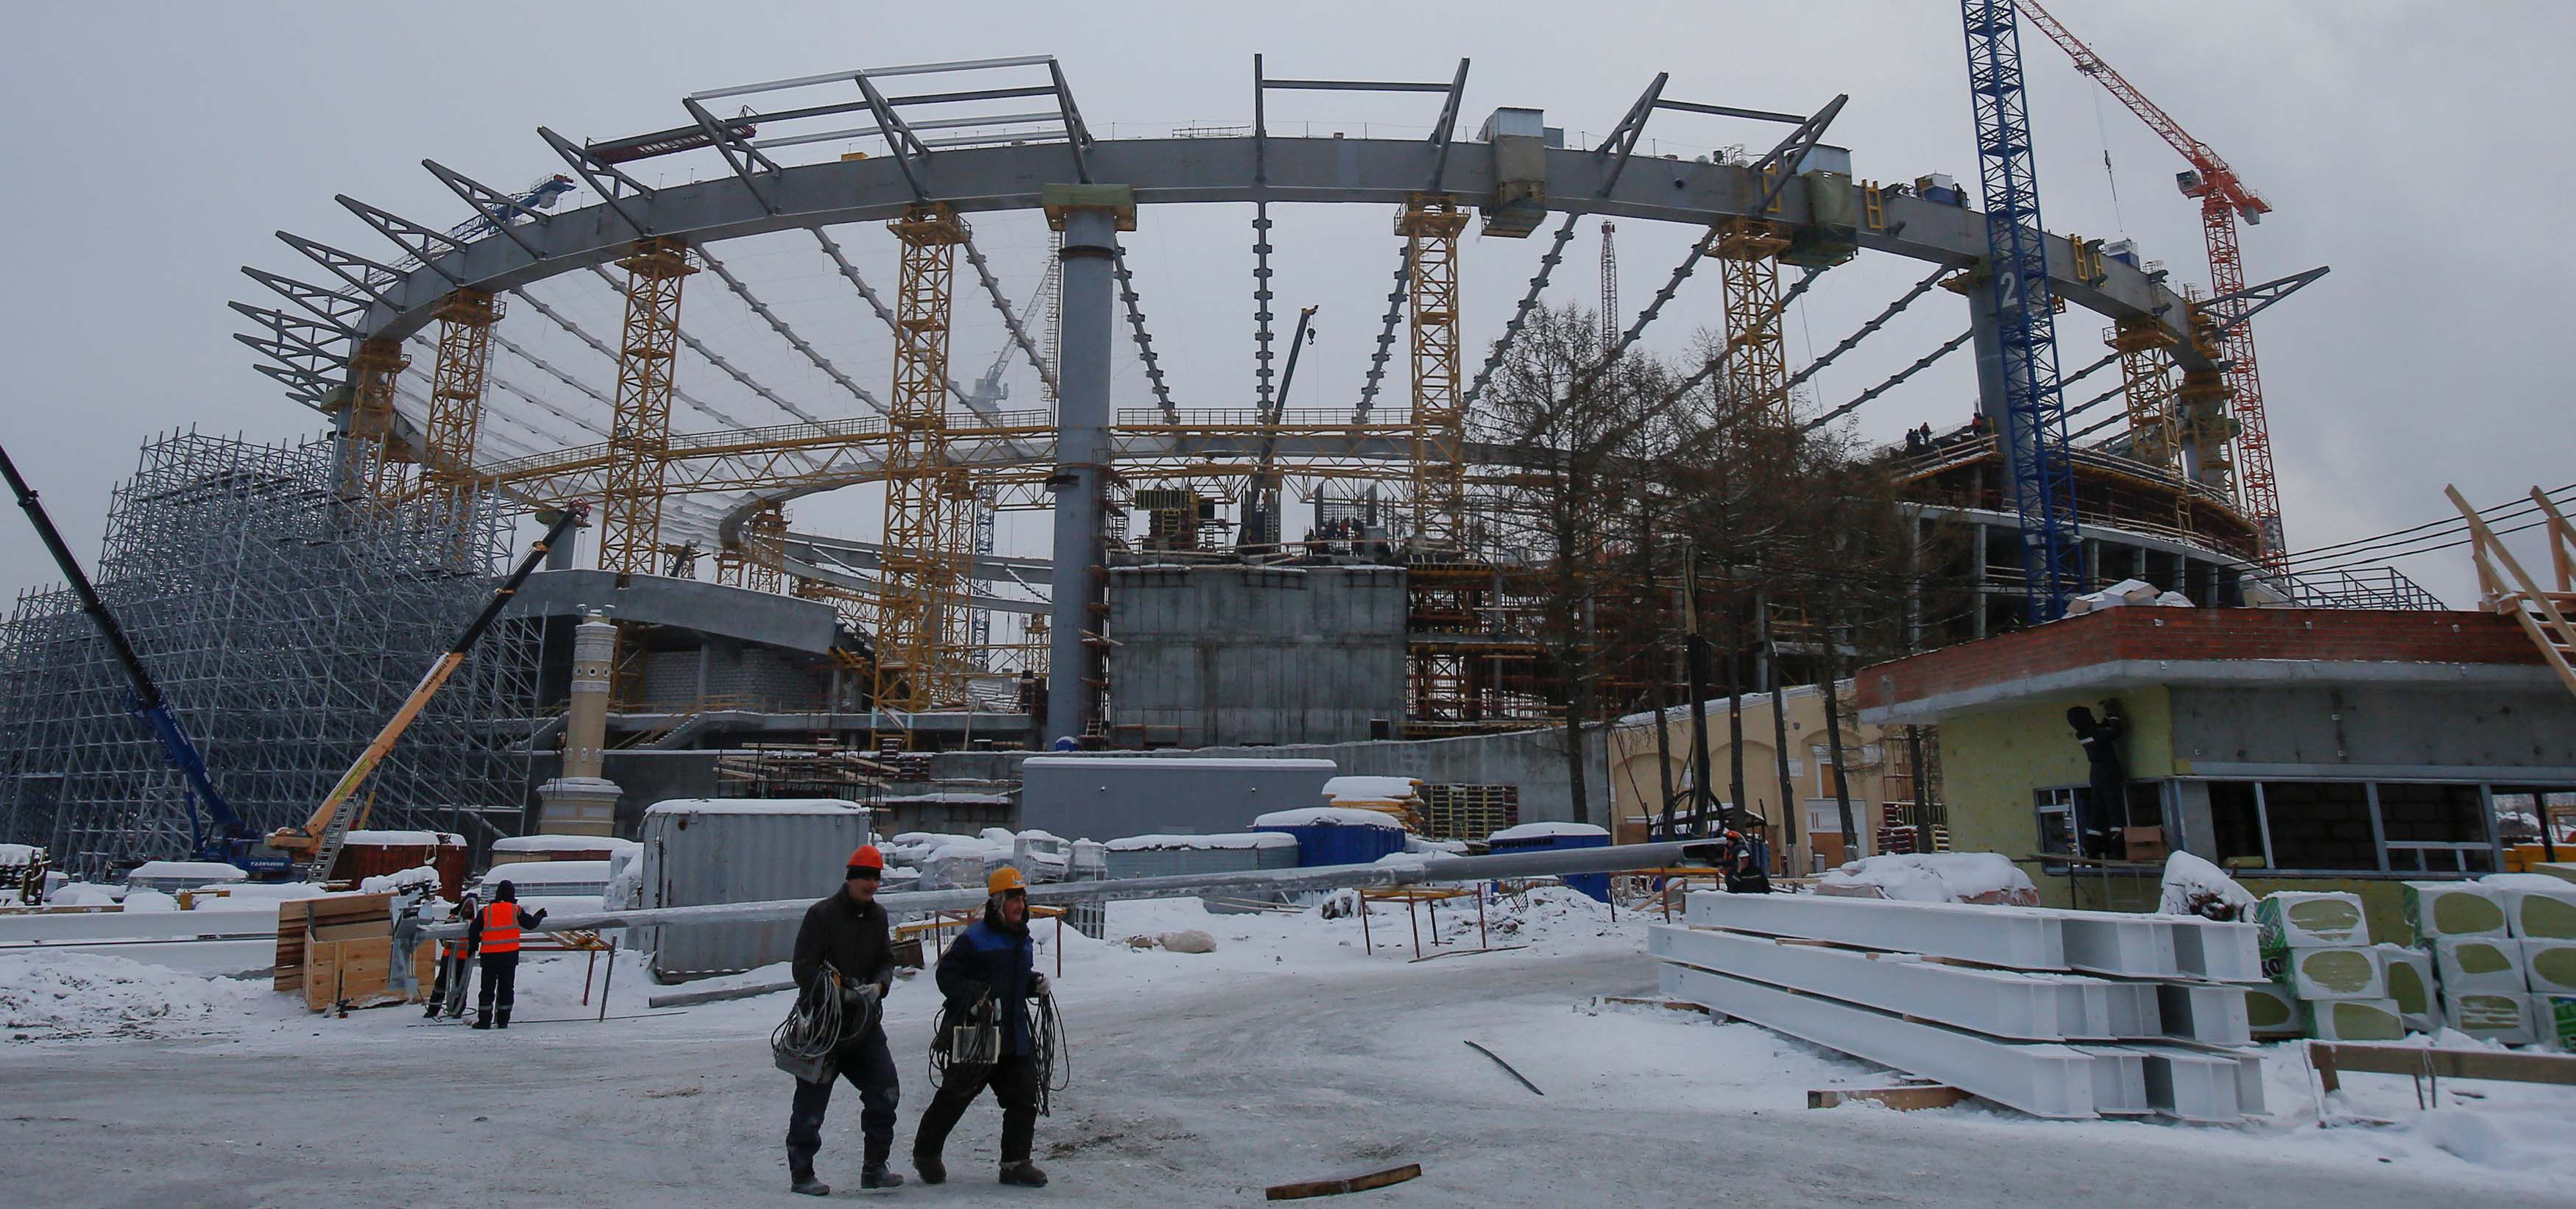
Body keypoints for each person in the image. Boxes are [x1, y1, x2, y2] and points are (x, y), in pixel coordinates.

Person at [915, 866, 1050, 1189]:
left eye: (1022, 898)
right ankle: (926, 1154)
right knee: (955, 1097)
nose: (1020, 905)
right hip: (979, 1034)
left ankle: (1016, 1164)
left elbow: (1014, 981)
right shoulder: (974, 939)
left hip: (1014, 1035)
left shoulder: (1022, 938)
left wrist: (1034, 983)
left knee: (1023, 1098)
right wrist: (974, 999)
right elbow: (946, 975)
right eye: (1013, 899)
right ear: (998, 903)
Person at [785, 845, 905, 1196]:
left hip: (864, 1027)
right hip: (823, 1028)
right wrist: (839, 994)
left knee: (886, 1091)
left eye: (876, 878)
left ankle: (874, 1168)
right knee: (811, 1104)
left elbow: (886, 958)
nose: (871, 884)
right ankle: (802, 1174)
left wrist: (879, 985)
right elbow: (803, 969)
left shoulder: (879, 917)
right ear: (850, 878)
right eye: (865, 877)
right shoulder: (821, 916)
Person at [467, 880, 548, 1029]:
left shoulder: (487, 911)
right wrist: (540, 915)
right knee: (506, 988)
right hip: (509, 956)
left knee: (487, 989)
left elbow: (474, 929)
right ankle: (503, 1021)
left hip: (489, 956)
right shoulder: (515, 910)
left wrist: (472, 947)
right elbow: (530, 924)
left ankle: (484, 1021)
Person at [2067, 701, 2129, 860]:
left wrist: (2107, 717)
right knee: (2114, 808)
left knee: (2098, 810)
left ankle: (2093, 849)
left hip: (2096, 774)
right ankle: (2119, 848)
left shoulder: (2084, 734)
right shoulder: (2094, 732)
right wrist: (2113, 714)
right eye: (2090, 716)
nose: (2093, 718)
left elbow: (2102, 729)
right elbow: (2115, 732)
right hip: (2107, 772)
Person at [426, 891, 478, 1020]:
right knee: (441, 983)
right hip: (449, 956)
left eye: (470, 908)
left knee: (461, 984)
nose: (468, 909)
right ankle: (433, 1009)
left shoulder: (475, 922)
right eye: (466, 906)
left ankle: (457, 1009)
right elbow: (443, 933)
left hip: (464, 958)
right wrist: (446, 942)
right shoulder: (453, 917)